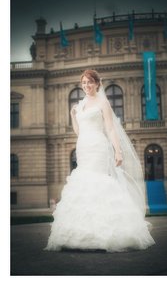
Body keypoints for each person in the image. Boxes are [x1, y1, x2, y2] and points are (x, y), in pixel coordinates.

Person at [45, 69, 155, 252]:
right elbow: (79, 131)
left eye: (89, 82)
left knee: (99, 183)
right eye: (84, 83)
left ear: (97, 83)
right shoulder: (80, 105)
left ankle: (106, 233)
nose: (86, 86)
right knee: (84, 184)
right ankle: (82, 233)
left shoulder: (103, 103)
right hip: (83, 147)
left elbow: (111, 129)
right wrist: (73, 116)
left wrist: (118, 151)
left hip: (98, 146)